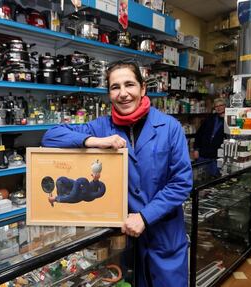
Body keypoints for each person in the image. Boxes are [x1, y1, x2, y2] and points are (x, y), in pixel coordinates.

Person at [41, 59, 193, 287]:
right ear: (109, 94)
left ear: (143, 89)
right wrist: (96, 141)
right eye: (115, 87)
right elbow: (50, 137)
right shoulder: (101, 127)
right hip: (126, 240)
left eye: (129, 85)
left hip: (165, 234)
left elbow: (181, 183)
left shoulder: (169, 127)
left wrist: (145, 216)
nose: (123, 93)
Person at [194, 97, 226, 176]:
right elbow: (199, 134)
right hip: (203, 154)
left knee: (214, 179)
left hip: (216, 156)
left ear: (225, 106)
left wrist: (225, 119)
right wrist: (196, 149)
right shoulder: (210, 118)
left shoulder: (229, 120)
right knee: (200, 177)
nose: (218, 108)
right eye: (216, 106)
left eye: (221, 105)